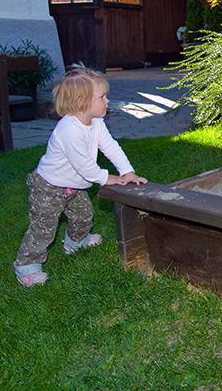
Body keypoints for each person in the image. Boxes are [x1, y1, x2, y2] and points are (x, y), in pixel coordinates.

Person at [13, 64, 147, 287]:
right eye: (102, 97)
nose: (106, 101)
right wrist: (109, 178)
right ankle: (26, 265)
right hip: (48, 187)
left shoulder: (96, 123)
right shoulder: (69, 129)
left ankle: (75, 242)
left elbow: (111, 147)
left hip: (74, 186)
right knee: (43, 229)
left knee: (84, 215)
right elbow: (84, 166)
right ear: (81, 102)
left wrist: (127, 171)